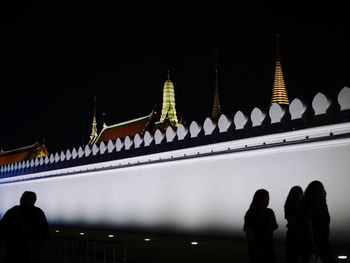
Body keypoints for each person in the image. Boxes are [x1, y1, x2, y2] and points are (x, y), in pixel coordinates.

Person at [0, 191, 50, 263]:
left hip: (13, 250)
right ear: (34, 201)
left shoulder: (12, 211)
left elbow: (2, 229)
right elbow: (45, 232)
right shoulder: (38, 212)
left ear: (22, 199)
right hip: (31, 251)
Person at [302, 180, 334, 263]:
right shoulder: (309, 204)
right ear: (314, 190)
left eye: (323, 188)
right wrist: (312, 243)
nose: (323, 190)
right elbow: (307, 224)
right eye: (321, 188)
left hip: (324, 240)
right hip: (313, 241)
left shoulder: (323, 204)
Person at [244, 189, 278, 263]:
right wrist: (256, 249)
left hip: (269, 247)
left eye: (268, 200)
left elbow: (275, 226)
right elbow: (249, 233)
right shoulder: (250, 213)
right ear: (257, 200)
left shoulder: (270, 212)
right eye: (264, 199)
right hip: (256, 248)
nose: (267, 202)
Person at [284, 185, 307, 263]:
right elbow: (291, 221)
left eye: (301, 193)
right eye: (299, 193)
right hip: (295, 236)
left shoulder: (302, 206)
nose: (300, 195)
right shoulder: (290, 206)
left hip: (297, 235)